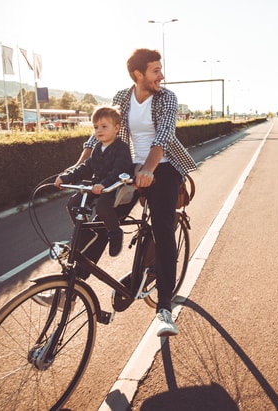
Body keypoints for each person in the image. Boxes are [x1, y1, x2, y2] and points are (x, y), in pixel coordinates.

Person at [74, 48, 196, 337]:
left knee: (163, 229)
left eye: (160, 69)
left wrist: (149, 170)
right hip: (129, 168)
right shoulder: (122, 97)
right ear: (138, 74)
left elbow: (163, 136)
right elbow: (98, 135)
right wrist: (77, 167)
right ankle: (72, 285)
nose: (161, 75)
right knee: (103, 219)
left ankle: (164, 308)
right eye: (155, 70)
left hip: (163, 168)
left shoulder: (167, 98)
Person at [55, 105, 133, 256]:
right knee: (73, 203)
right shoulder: (97, 148)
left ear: (116, 128)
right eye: (96, 127)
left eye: (104, 126)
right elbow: (86, 167)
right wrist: (67, 177)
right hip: (97, 184)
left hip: (114, 187)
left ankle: (115, 233)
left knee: (103, 206)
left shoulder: (121, 148)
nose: (99, 130)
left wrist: (104, 184)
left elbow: (119, 170)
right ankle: (87, 233)